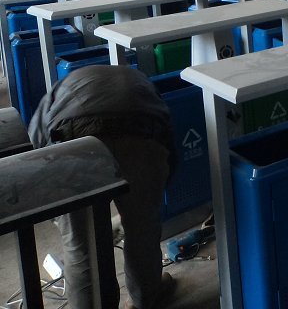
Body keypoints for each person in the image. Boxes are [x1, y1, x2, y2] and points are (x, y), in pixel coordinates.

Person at [28, 65, 177, 309]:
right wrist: (151, 198)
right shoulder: (143, 84)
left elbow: (36, 147)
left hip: (73, 139)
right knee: (143, 231)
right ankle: (146, 299)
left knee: (80, 246)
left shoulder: (56, 92)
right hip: (140, 130)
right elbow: (169, 148)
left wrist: (61, 214)